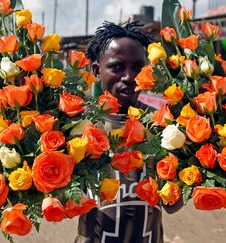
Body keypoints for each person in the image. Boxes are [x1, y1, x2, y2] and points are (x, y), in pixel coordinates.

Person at [75, 22, 183, 243]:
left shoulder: (163, 127)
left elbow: (172, 205)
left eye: (137, 67)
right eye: (117, 66)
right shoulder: (79, 128)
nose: (129, 76)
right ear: (96, 70)